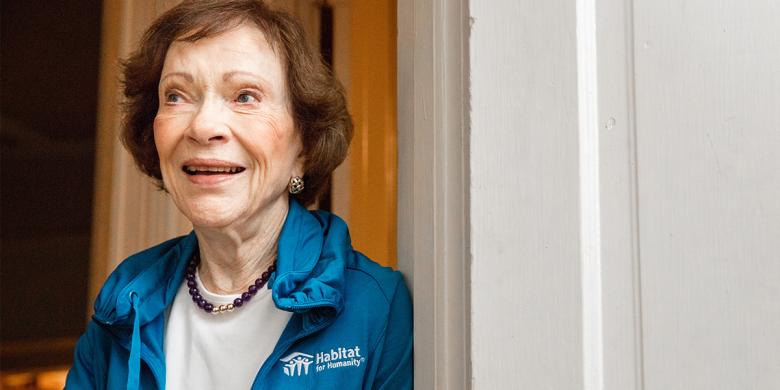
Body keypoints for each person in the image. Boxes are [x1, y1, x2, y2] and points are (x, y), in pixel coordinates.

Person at [65, 1, 412, 389]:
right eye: (176, 95)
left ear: (305, 147)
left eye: (245, 96)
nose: (204, 126)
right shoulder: (121, 311)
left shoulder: (376, 308)